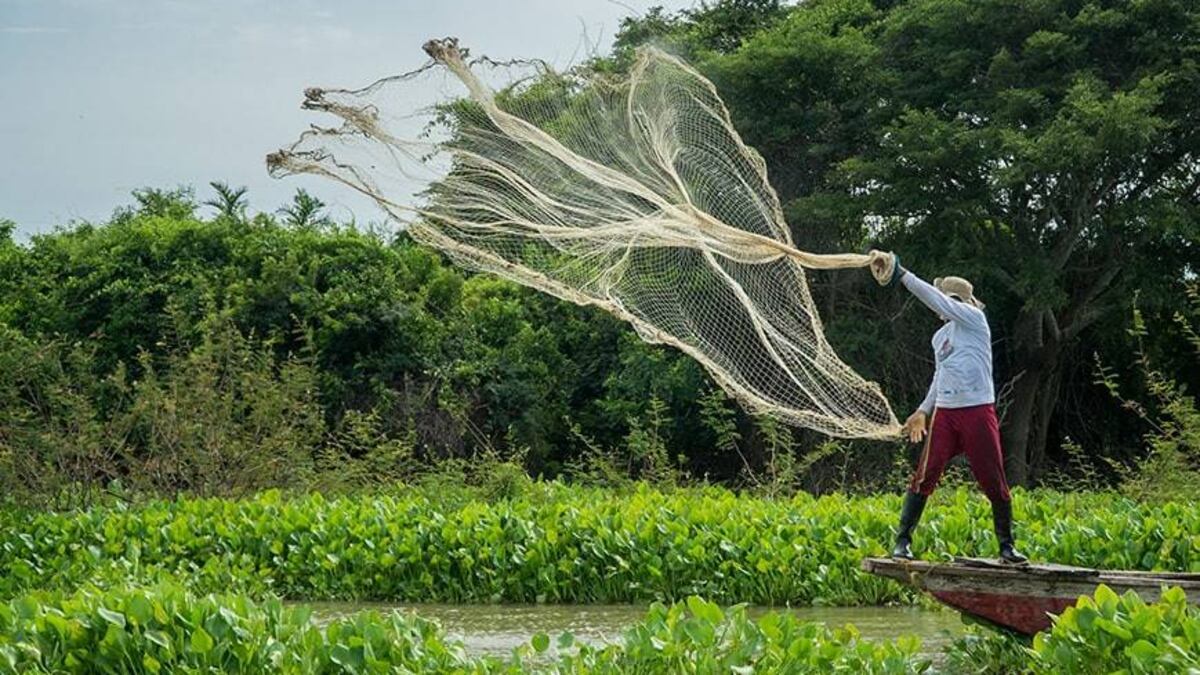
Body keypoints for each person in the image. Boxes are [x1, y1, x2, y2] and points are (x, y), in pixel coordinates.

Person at [869, 250, 1027, 565]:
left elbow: (937, 301)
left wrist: (901, 273)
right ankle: (903, 541)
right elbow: (939, 376)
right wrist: (923, 410)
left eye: (946, 300)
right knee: (925, 474)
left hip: (977, 411)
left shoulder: (974, 320)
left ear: (957, 302)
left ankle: (1007, 546)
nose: (940, 308)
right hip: (946, 412)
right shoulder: (940, 337)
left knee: (992, 477)